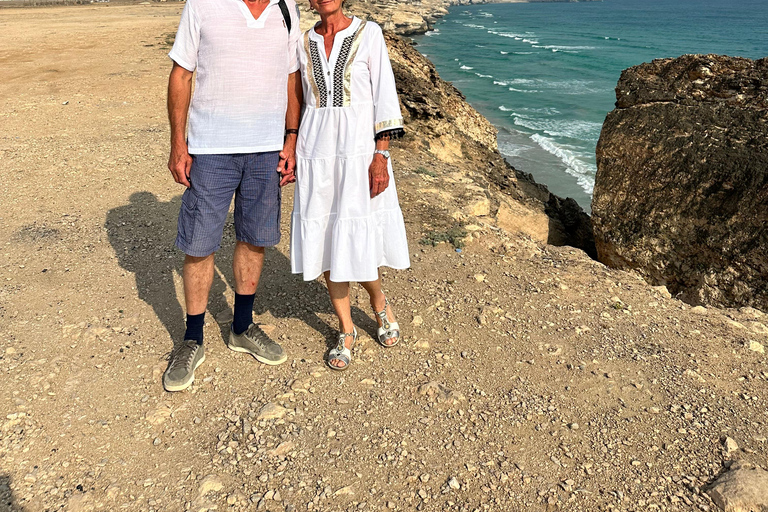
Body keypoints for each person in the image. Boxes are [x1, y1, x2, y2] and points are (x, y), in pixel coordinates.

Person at [163, 0, 302, 392]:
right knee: (199, 243)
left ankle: (242, 327)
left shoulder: (286, 8)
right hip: (209, 148)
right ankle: (192, 339)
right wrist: (178, 143)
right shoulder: (202, 5)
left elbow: (292, 78)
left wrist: (291, 139)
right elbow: (181, 74)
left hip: (266, 148)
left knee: (254, 239)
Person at [290, 0, 410, 370]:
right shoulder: (302, 40)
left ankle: (378, 303)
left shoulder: (368, 34)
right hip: (315, 152)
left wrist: (382, 155)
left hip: (358, 153)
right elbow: (296, 96)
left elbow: (384, 95)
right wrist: (291, 144)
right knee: (325, 238)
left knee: (358, 235)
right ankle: (346, 328)